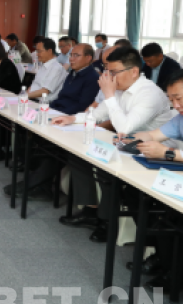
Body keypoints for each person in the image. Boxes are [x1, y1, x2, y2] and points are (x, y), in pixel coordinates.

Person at [53, 47, 176, 242]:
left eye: (113, 72)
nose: (108, 77)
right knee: (79, 156)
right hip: (131, 146)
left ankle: (106, 223)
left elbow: (124, 127)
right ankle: (91, 211)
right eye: (107, 71)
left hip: (156, 153)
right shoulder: (121, 88)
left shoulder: (149, 93)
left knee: (108, 172)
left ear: (133, 71)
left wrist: (109, 95)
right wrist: (72, 118)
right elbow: (98, 114)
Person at [3, 44, 100, 196]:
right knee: (33, 134)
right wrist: (49, 111)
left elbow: (82, 106)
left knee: (52, 148)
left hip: (73, 121)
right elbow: (61, 98)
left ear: (88, 58)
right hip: (58, 114)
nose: (71, 59)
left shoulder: (92, 78)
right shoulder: (72, 73)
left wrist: (57, 115)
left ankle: (32, 184)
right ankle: (40, 183)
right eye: (71, 55)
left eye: (76, 55)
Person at [127, 69, 183, 292]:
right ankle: (163, 258)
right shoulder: (180, 118)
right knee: (134, 194)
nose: (175, 106)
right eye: (171, 100)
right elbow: (153, 135)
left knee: (170, 215)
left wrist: (168, 153)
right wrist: (130, 138)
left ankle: (173, 271)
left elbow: (168, 151)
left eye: (179, 98)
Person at [26, 38, 67, 102]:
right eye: (37, 51)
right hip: (31, 98)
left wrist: (25, 96)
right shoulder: (44, 65)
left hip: (43, 103)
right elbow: (34, 85)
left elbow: (45, 91)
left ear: (49, 51)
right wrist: (25, 94)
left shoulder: (56, 68)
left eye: (39, 51)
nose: (37, 54)